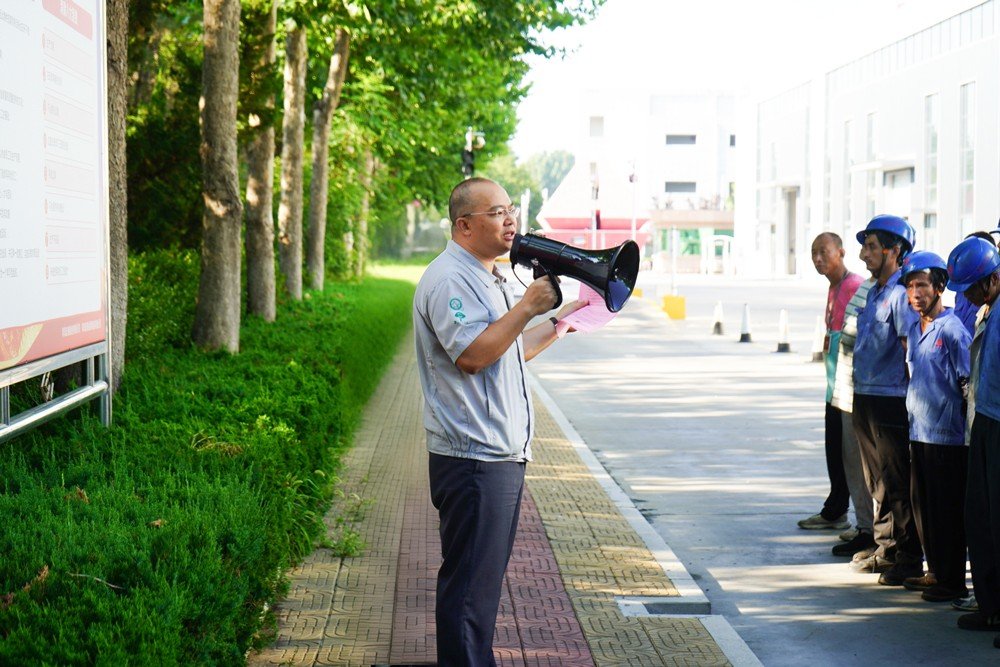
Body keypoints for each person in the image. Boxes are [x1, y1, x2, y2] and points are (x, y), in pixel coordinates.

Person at [413, 177, 584, 666]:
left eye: (511, 209)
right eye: (496, 212)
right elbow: (472, 355)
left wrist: (562, 321)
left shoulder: (490, 276)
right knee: (469, 592)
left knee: (480, 590)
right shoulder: (449, 279)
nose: (510, 220)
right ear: (464, 225)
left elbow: (507, 349)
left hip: (497, 456)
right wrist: (528, 306)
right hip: (474, 459)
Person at [848, 214, 923, 586]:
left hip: (891, 399)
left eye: (872, 246)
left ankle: (908, 557)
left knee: (896, 480)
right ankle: (886, 548)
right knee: (876, 479)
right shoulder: (873, 291)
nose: (864, 254)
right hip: (865, 394)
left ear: (895, 251)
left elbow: (911, 352)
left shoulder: (899, 295)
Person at [897, 251, 971, 602]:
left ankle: (952, 580)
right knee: (924, 509)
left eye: (922, 285)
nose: (915, 293)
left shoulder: (953, 331)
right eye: (910, 286)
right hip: (920, 433)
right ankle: (935, 571)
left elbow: (966, 385)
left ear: (940, 287)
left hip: (947, 438)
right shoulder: (915, 328)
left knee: (946, 511)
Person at [945, 237, 1000, 641]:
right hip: (984, 420)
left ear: (992, 280)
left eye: (972, 289)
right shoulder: (989, 311)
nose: (967, 297)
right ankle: (991, 607)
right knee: (980, 518)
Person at [798, 233, 866, 538]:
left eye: (824, 252)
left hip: (847, 389)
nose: (818, 259)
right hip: (833, 387)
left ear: (841, 252)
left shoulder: (854, 287)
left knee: (848, 456)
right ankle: (835, 508)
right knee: (834, 451)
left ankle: (849, 515)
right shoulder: (834, 287)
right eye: (814, 253)